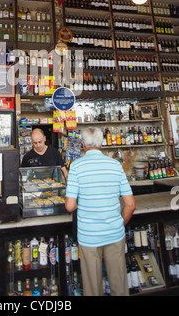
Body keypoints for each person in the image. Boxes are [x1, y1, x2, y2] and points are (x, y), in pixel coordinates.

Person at [65, 127, 136, 296]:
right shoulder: (115, 165)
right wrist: (119, 224)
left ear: (82, 145)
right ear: (102, 144)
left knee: (92, 287)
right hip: (114, 233)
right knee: (119, 284)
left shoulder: (76, 167)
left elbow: (69, 206)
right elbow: (131, 205)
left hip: (89, 236)